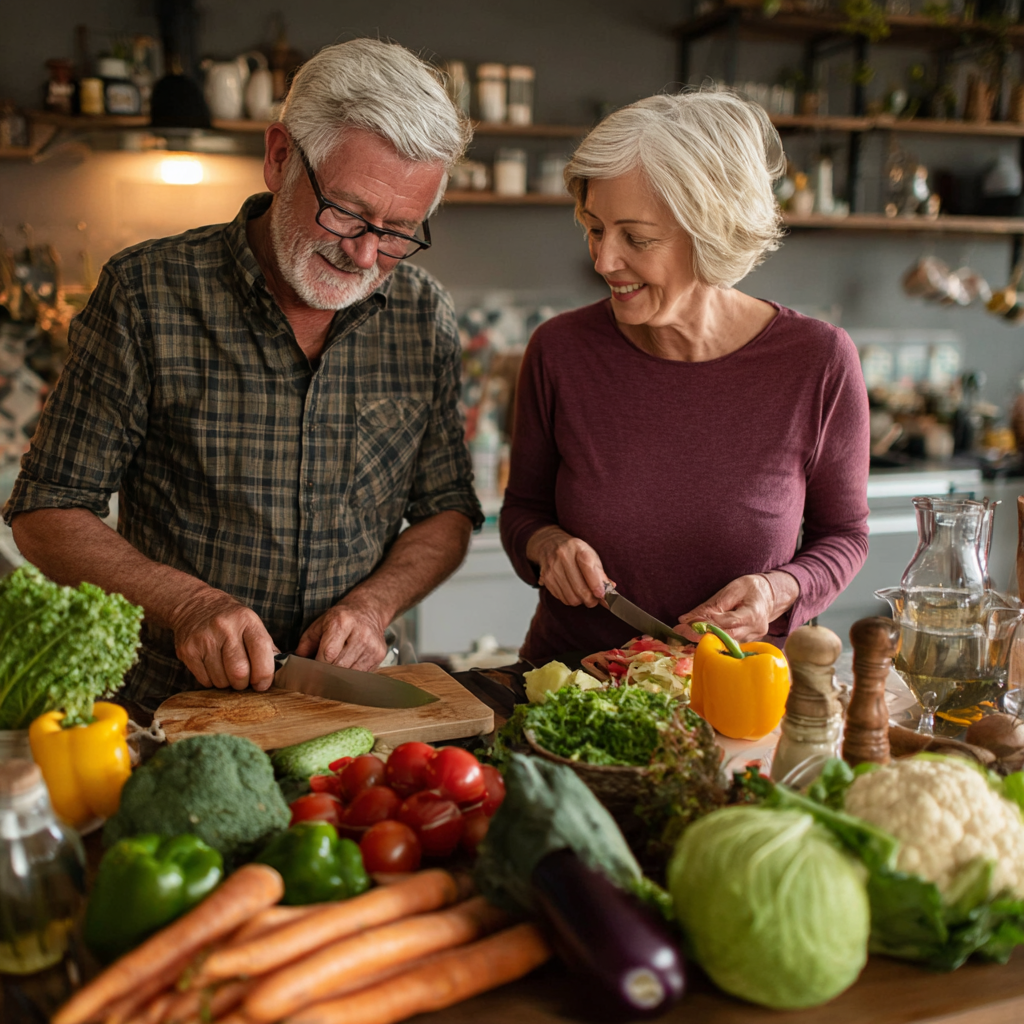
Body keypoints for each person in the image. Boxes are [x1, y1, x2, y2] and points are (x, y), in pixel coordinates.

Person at [4, 39, 483, 709]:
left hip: (349, 702)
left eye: (401, 230)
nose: (366, 253)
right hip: (174, 706)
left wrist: (373, 607)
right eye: (346, 212)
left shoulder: (420, 312)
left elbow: (447, 512)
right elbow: (46, 509)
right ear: (279, 156)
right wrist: (188, 604)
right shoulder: (147, 293)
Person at [500, 90, 869, 665]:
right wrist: (546, 546)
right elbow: (523, 511)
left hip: (740, 696)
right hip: (573, 693)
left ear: (712, 231)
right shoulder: (560, 351)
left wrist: (778, 590)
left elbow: (845, 537)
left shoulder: (817, 361)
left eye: (636, 238)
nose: (603, 261)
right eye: (595, 229)